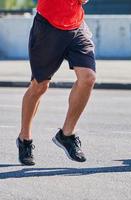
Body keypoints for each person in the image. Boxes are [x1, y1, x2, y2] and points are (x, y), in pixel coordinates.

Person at [16, 0, 95, 165]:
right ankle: (24, 139)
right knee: (39, 86)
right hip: (48, 27)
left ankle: (67, 134)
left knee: (88, 78)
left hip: (76, 25)